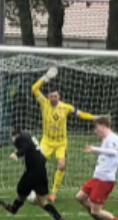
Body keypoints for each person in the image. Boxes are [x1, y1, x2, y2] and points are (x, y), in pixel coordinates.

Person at [32, 67, 99, 202]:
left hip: (61, 142)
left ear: (59, 97)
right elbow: (34, 89)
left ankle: (54, 192)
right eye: (51, 96)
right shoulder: (44, 103)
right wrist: (45, 78)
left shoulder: (66, 107)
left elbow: (80, 114)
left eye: (55, 96)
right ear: (48, 97)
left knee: (61, 165)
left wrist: (94, 117)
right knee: (38, 165)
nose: (53, 98)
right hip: (47, 140)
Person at [0, 128, 68, 220]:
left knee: (21, 191)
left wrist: (17, 154)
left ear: (14, 136)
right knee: (43, 202)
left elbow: (24, 147)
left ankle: (14, 208)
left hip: (32, 172)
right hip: (41, 170)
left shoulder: (20, 138)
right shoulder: (31, 138)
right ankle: (60, 219)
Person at [75, 117, 118, 220]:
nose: (95, 131)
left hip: (105, 180)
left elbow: (113, 152)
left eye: (96, 128)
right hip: (97, 178)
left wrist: (94, 149)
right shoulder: (106, 139)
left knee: (96, 210)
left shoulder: (113, 138)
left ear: (103, 126)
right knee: (80, 197)